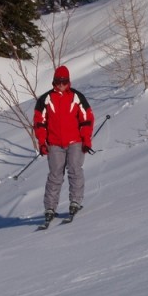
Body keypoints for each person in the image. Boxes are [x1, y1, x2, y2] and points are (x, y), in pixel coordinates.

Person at [33, 65, 95, 224]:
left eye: (64, 81)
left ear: (68, 81)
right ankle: (50, 207)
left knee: (74, 169)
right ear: (54, 81)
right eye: (58, 81)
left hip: (75, 141)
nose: (61, 84)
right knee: (55, 175)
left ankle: (75, 201)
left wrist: (86, 139)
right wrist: (42, 143)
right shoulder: (45, 99)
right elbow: (39, 123)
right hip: (54, 144)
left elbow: (87, 119)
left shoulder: (76, 97)